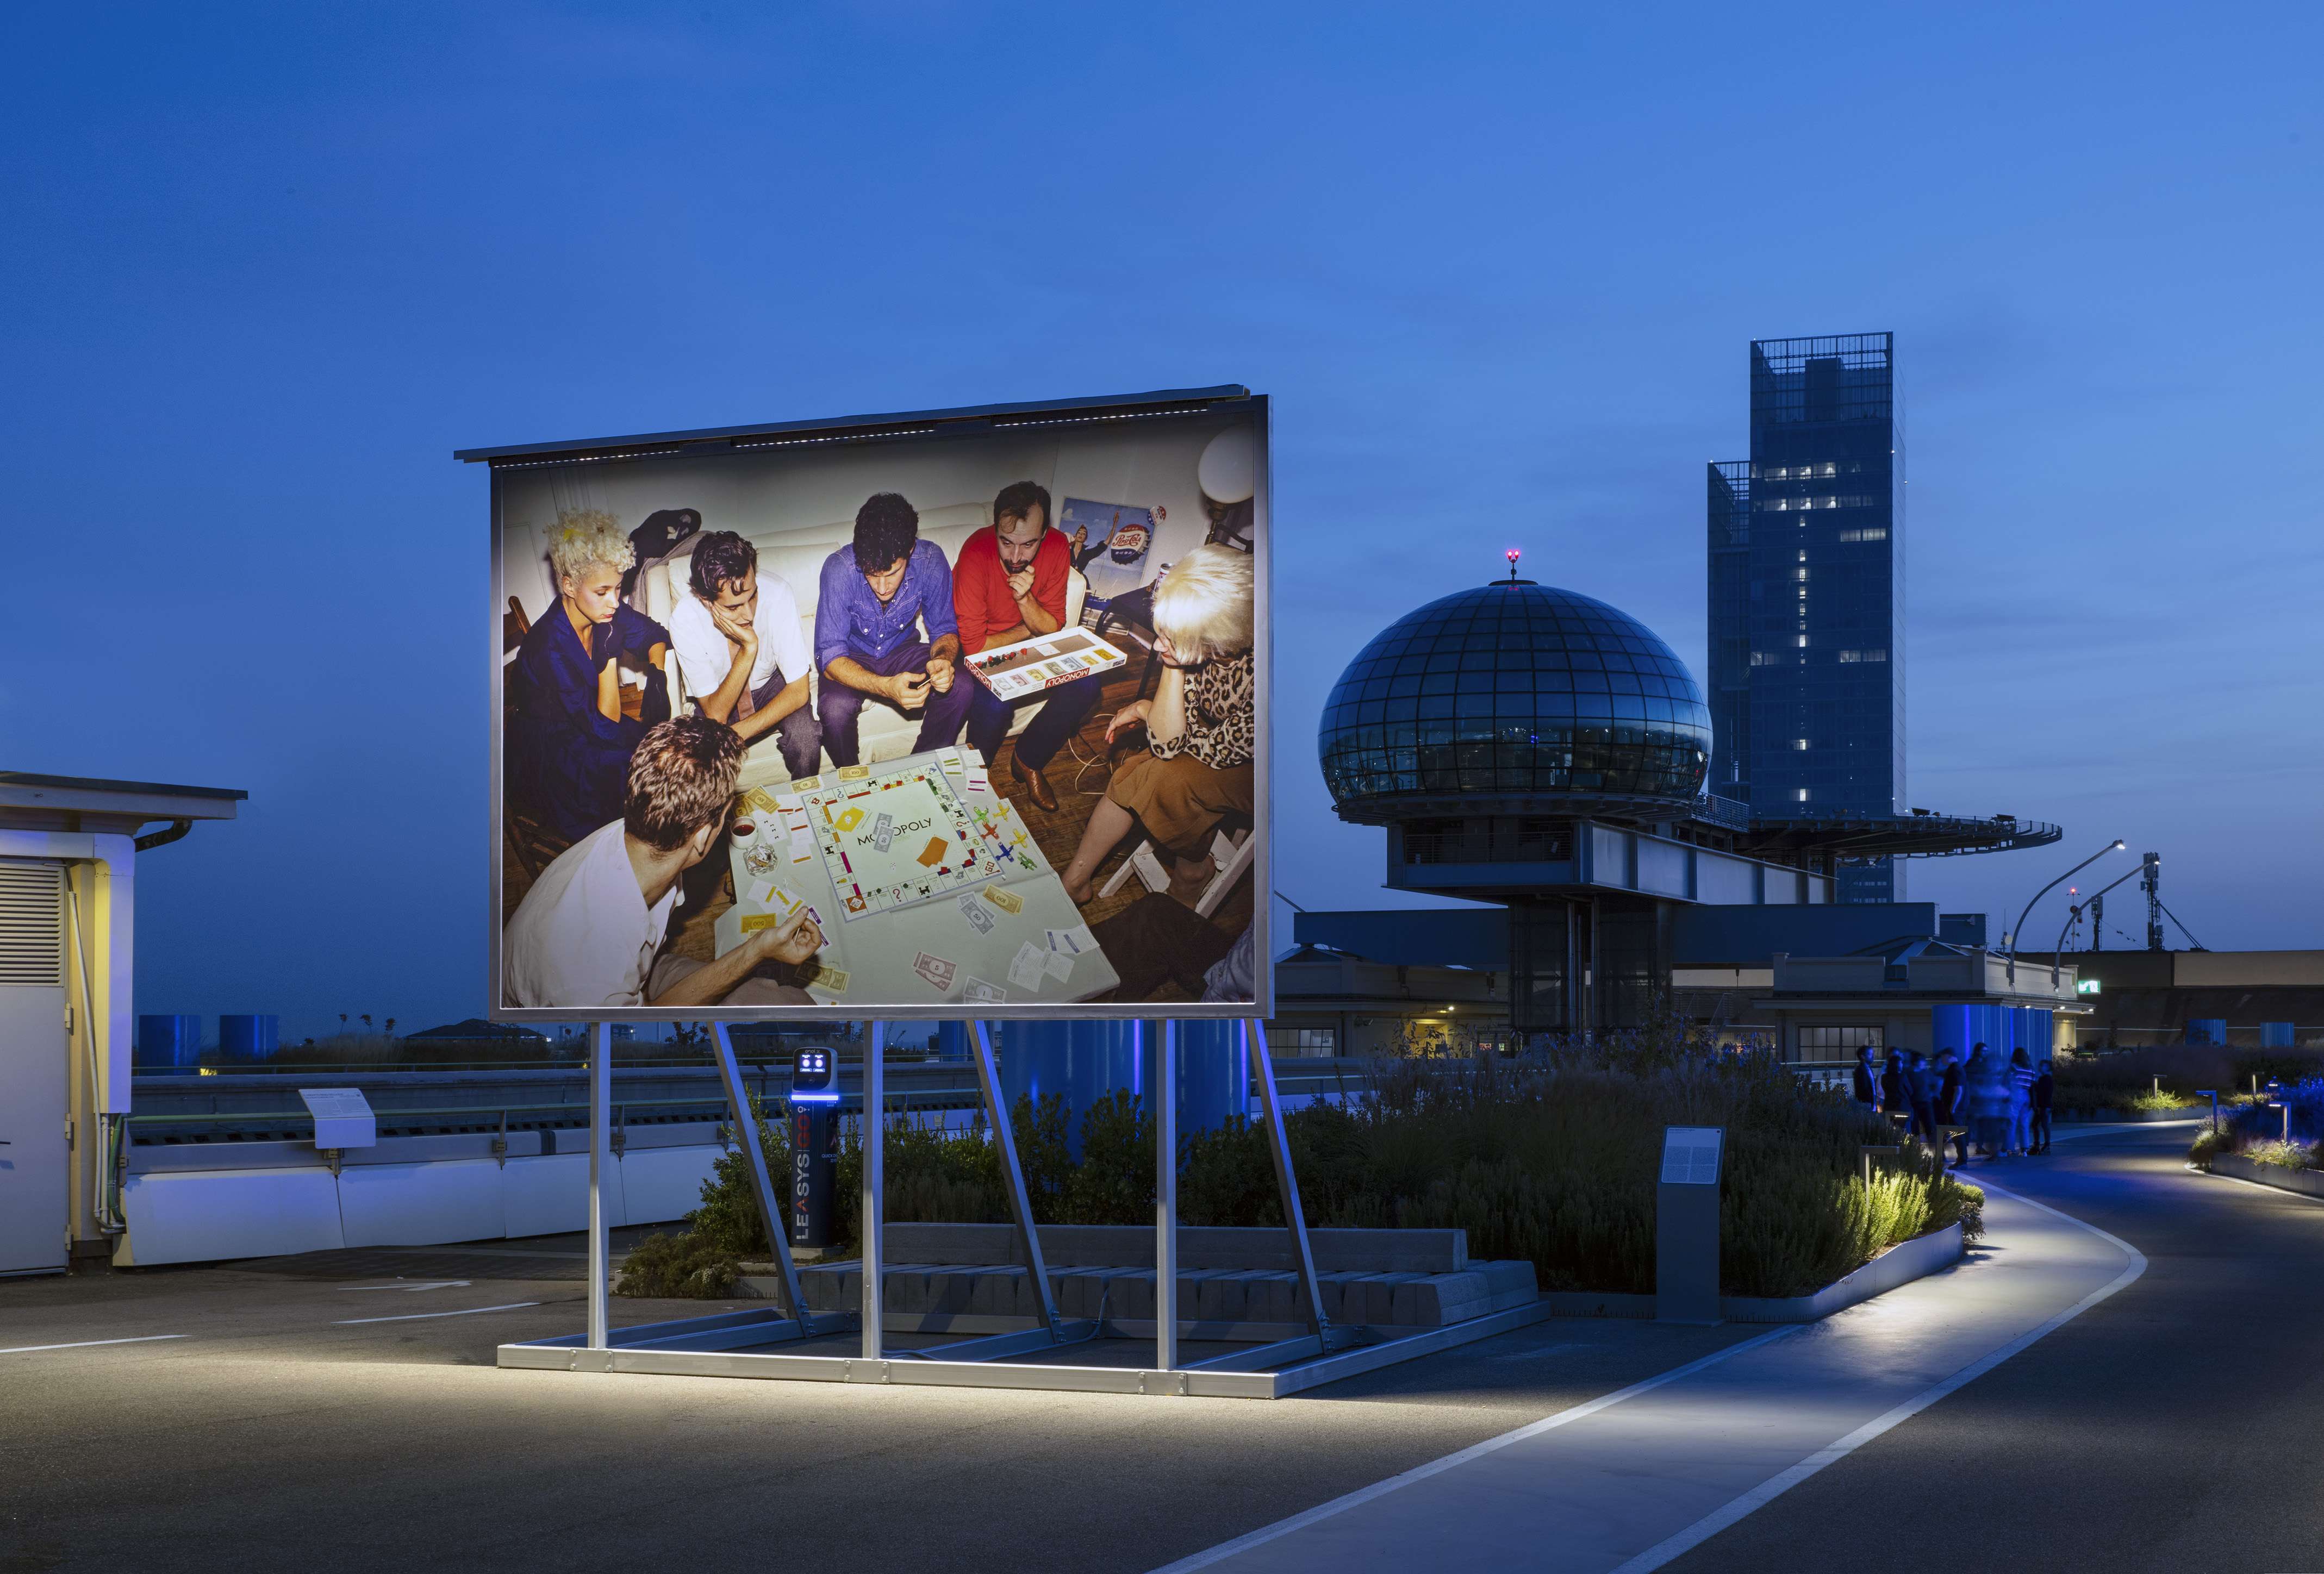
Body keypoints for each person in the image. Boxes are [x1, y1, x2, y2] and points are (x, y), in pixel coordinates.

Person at [503, 716, 824, 1008]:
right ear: (701, 838)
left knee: (783, 997)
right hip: (595, 1014)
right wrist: (757, 951)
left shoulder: (640, 830)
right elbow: (650, 1025)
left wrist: (759, 947)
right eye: (727, 815)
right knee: (797, 1009)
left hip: (644, 968)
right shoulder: (589, 979)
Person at [1060, 545, 1255, 905]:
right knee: (1137, 771)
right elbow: (1170, 743)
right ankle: (1074, 881)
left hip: (1274, 773)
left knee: (1166, 780)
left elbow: (1201, 751)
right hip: (1213, 744)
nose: (1159, 644)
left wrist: (1148, 707)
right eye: (1161, 631)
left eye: (1172, 638)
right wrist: (1173, 663)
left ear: (1218, 636)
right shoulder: (1202, 647)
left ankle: (1192, 871)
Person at [509, 511, 672, 842]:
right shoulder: (548, 648)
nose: (615, 602)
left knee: (656, 748)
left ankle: (650, 839)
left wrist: (657, 675)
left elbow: (655, 634)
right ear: (569, 585)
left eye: (619, 588)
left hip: (590, 721)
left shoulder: (603, 607)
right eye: (602, 592)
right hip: (552, 751)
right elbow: (605, 725)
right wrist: (609, 655)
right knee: (633, 765)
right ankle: (625, 850)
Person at [953, 480, 1100, 811]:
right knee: (997, 702)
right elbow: (976, 648)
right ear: (995, 531)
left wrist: (1024, 598)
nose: (1016, 557)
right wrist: (1028, 628)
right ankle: (976, 772)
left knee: (1088, 685)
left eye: (1029, 544)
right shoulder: (976, 550)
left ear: (1044, 534)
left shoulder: (1059, 545)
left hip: (1024, 638)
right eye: (1006, 542)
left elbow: (1053, 625)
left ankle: (1028, 759)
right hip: (979, 647)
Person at [813, 492, 971, 767]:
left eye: (892, 573)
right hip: (851, 658)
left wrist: (943, 661)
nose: (882, 587)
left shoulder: (931, 560)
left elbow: (945, 629)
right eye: (872, 574)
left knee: (962, 686)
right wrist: (886, 687)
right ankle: (853, 781)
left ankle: (921, 769)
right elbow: (830, 656)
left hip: (902, 650)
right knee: (834, 710)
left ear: (910, 550)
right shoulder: (838, 569)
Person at [666, 530, 821, 782]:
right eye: (733, 607)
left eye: (752, 596)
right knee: (700, 765)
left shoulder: (778, 592)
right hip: (720, 695)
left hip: (771, 685)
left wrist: (733, 736)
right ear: (706, 600)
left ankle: (803, 804)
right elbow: (716, 714)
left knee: (806, 739)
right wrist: (749, 648)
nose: (749, 614)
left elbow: (799, 691)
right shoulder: (685, 620)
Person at [1966, 1044, 2011, 1158]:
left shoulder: (1986, 1067)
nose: (1985, 1053)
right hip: (1984, 1104)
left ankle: (1986, 1150)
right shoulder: (1976, 1065)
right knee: (1988, 1130)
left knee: (1990, 1131)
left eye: (1987, 1051)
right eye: (1983, 1051)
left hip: (1988, 1105)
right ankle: (1984, 1149)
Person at [1934, 1048, 1970, 1167]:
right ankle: (1962, 1160)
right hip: (1958, 1107)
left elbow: (1958, 1089)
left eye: (1943, 1057)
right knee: (1957, 1133)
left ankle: (1962, 1161)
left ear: (1949, 1056)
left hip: (1956, 1108)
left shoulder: (1955, 1070)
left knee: (1957, 1133)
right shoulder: (1957, 1068)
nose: (1942, 1060)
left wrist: (1953, 1108)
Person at [2008, 1047, 2037, 1156]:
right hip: (2027, 1095)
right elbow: (2033, 1084)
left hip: (2016, 1094)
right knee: (2024, 1123)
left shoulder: (2014, 1067)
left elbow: (2007, 1081)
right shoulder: (2031, 1069)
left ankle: (2010, 1148)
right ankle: (2024, 1149)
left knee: (2012, 1122)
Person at [1905, 1050, 1938, 1145]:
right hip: (1916, 1103)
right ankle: (1917, 1150)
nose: (1925, 1062)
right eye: (1923, 1060)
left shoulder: (1924, 1073)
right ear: (1917, 1062)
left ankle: (1938, 1152)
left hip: (1923, 1103)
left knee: (1930, 1127)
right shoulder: (1911, 1073)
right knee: (1916, 1128)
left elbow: (1935, 1085)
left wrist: (1932, 1094)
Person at [1879, 1048, 1912, 1136]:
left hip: (1889, 1107)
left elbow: (1884, 1089)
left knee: (1889, 1131)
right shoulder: (1902, 1077)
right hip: (1902, 1108)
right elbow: (1910, 1091)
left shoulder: (1884, 1077)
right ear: (1897, 1064)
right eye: (1901, 1063)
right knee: (1902, 1131)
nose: (1902, 1065)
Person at [2032, 1058, 2056, 1154]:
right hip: (2044, 1106)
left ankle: (2044, 1145)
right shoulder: (2045, 1078)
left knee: (2042, 1125)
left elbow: (2043, 1093)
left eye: (2043, 1065)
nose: (2040, 1067)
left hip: (2044, 1106)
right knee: (2040, 1125)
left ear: (2048, 1068)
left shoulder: (2046, 1079)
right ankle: (2042, 1145)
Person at [1852, 1045, 1879, 1109]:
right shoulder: (1860, 1070)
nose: (1873, 1056)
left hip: (1871, 1103)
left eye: (1873, 1054)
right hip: (1866, 1104)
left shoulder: (1868, 1069)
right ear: (1863, 1057)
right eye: (1870, 1054)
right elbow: (1863, 1088)